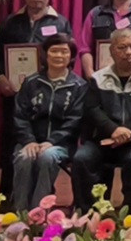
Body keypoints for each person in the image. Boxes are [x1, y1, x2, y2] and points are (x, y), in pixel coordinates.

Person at [0, 0, 74, 205]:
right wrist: (0, 79)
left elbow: (69, 58)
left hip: (50, 97)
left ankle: (42, 201)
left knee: (46, 152)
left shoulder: (60, 23)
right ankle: (9, 200)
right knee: (12, 149)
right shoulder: (10, 22)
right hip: (15, 96)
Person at [72, 29, 131, 213]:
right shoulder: (98, 79)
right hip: (104, 140)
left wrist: (126, 133)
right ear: (111, 51)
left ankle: (129, 213)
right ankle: (88, 214)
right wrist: (113, 130)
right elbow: (92, 109)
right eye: (122, 47)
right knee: (82, 158)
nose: (129, 52)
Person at [10, 33, 85, 210]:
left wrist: (51, 141)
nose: (59, 55)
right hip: (30, 142)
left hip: (61, 144)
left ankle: (39, 212)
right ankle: (20, 211)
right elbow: (20, 116)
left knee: (46, 157)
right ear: (45, 54)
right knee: (24, 157)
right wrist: (29, 141)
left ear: (71, 56)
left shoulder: (79, 86)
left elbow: (75, 120)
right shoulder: (31, 82)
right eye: (54, 51)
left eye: (64, 52)